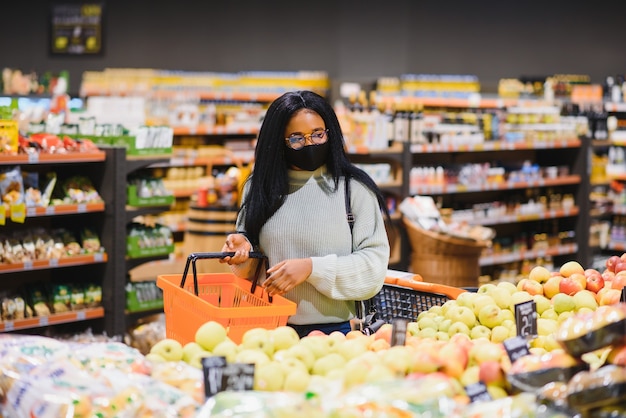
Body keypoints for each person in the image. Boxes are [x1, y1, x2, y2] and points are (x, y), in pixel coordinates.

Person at [220, 90, 390, 337]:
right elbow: (253, 270)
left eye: (318, 135)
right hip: (267, 328)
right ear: (278, 142)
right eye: (297, 138)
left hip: (335, 333)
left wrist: (312, 269)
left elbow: (373, 268)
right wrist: (242, 252)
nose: (310, 144)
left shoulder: (354, 190)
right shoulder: (258, 187)